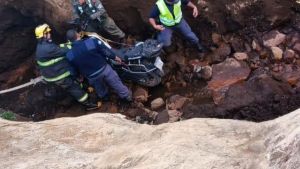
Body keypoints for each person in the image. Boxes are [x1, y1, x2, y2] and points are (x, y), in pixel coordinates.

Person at [34, 24, 98, 110]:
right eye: (48, 32)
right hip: (57, 75)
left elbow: (57, 48)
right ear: (43, 35)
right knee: (73, 87)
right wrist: (72, 43)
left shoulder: (43, 45)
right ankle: (89, 103)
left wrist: (65, 45)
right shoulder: (47, 48)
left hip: (53, 71)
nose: (50, 34)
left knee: (74, 80)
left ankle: (84, 88)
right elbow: (65, 51)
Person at [65, 29, 132, 103]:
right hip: (104, 69)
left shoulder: (69, 55)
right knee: (115, 82)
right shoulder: (91, 41)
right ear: (77, 34)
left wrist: (78, 77)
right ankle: (126, 96)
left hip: (92, 76)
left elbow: (73, 70)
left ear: (69, 41)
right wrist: (115, 57)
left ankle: (105, 97)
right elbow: (105, 51)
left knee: (99, 87)